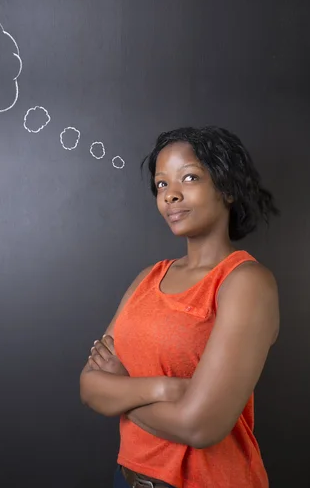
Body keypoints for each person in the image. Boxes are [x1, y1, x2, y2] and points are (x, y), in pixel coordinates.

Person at [79, 126, 281, 488]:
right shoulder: (147, 278)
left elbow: (200, 426)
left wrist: (121, 390)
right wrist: (165, 389)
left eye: (189, 178)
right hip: (127, 479)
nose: (171, 195)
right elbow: (90, 387)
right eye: (161, 185)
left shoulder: (245, 283)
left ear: (228, 188)